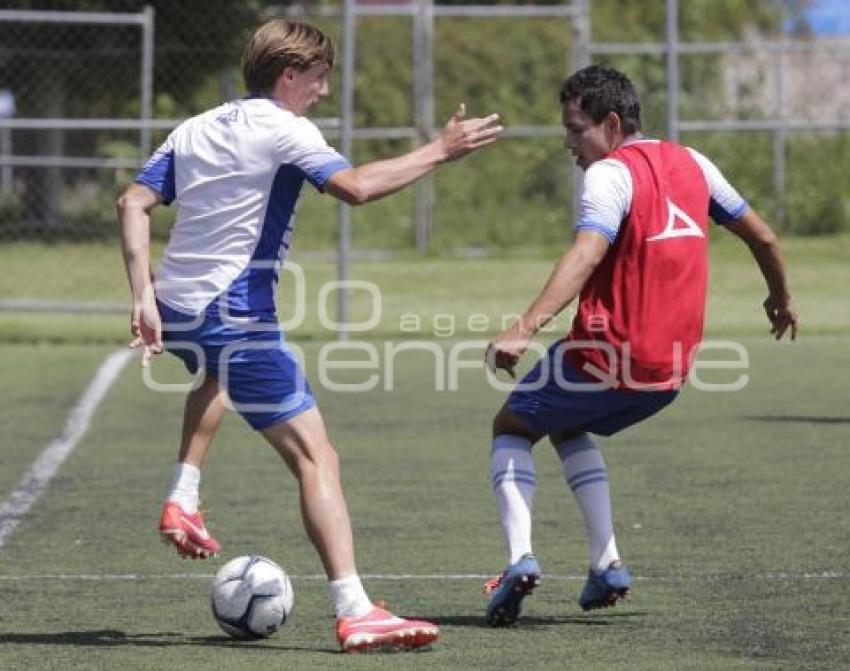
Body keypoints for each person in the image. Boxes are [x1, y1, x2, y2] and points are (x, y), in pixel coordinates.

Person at [118, 18, 501, 652]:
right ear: (290, 75)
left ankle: (182, 495)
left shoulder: (196, 126)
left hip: (176, 308)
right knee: (317, 457)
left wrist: (141, 297)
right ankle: (355, 608)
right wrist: (441, 150)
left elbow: (132, 201)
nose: (323, 91)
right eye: (319, 78)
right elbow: (355, 189)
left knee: (219, 372)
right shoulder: (286, 129)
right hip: (235, 315)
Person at [481, 65, 797, 626]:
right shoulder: (696, 164)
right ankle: (606, 564)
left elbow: (585, 254)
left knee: (511, 427)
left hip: (607, 357)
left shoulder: (610, 175)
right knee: (567, 422)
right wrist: (780, 299)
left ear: (610, 123)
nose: (569, 143)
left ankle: (518, 560)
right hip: (669, 375)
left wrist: (523, 327)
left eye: (576, 129)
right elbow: (765, 237)